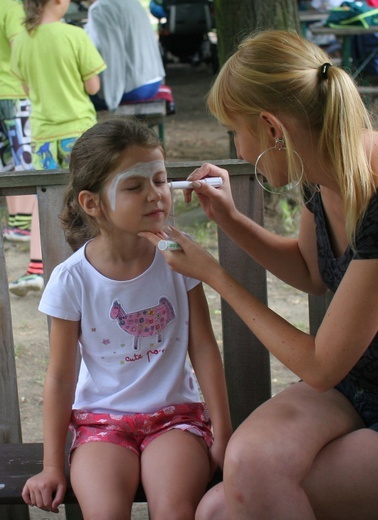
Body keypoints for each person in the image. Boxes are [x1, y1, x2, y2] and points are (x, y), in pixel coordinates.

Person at [142, 29, 378, 520]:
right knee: (242, 468)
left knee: (223, 511)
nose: (240, 151)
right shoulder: (325, 170)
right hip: (358, 389)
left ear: (271, 128)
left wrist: (217, 277)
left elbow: (319, 366)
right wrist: (231, 220)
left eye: (237, 133)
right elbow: (311, 271)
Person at [20, 117, 232, 518]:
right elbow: (61, 376)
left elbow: (202, 346)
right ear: (92, 203)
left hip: (175, 420)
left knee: (174, 510)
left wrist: (223, 432)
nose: (155, 195)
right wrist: (51, 466)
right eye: (135, 186)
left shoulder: (179, 260)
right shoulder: (72, 279)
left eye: (160, 179)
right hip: (101, 426)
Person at [9, 0, 106, 295]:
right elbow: (94, 87)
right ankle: (96, 266)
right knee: (89, 199)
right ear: (58, 2)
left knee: (47, 200)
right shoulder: (74, 36)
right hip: (79, 132)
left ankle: (37, 268)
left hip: (43, 136)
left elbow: (26, 88)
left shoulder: (22, 40)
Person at [0, 0, 43, 296]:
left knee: (10, 166)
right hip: (16, 94)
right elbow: (20, 48)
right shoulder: (12, 6)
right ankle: (24, 233)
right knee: (29, 166)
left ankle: (18, 225)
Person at [85, 0, 165, 112]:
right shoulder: (131, 1)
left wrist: (111, 98)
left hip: (134, 88)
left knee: (80, 95)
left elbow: (110, 55)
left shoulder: (101, 8)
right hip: (153, 81)